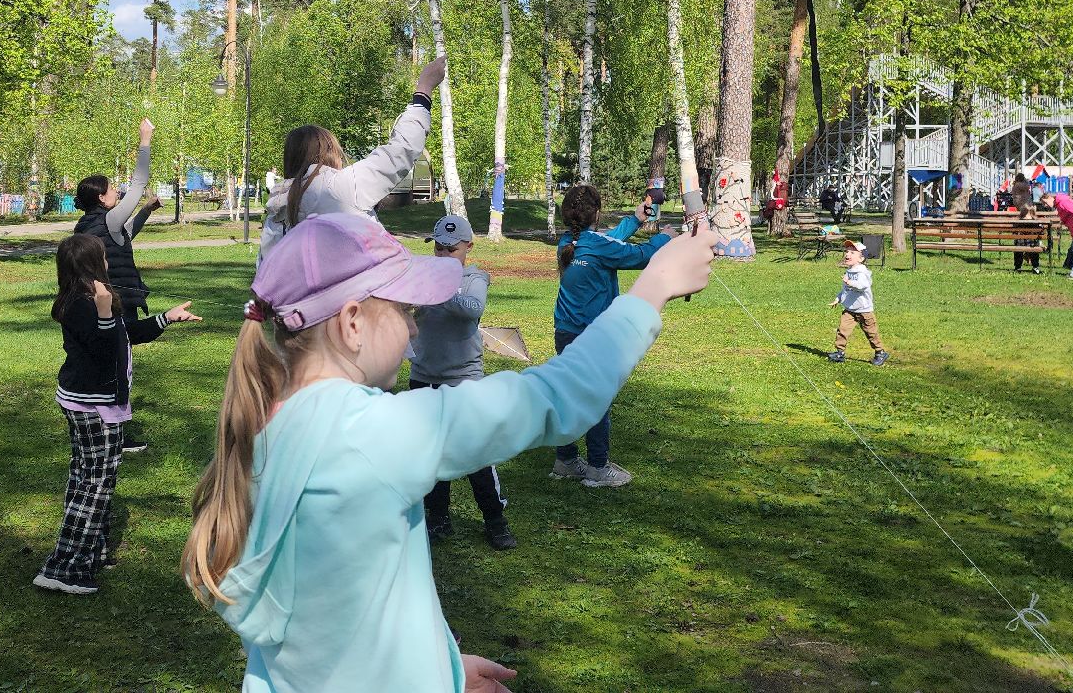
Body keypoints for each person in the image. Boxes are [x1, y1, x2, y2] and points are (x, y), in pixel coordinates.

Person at [182, 212, 719, 692]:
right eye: (405, 309)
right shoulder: (369, 434)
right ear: (351, 324)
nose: (415, 325)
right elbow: (560, 396)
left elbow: (342, 625)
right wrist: (655, 287)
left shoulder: (274, 430)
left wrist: (444, 670)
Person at [37, 234, 200, 594]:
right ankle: (64, 569)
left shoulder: (90, 301)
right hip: (93, 406)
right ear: (91, 266)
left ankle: (92, 551)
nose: (109, 262)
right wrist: (106, 311)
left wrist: (166, 318)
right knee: (93, 486)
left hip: (90, 402)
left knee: (89, 479)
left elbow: (126, 336)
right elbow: (101, 345)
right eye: (104, 257)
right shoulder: (82, 304)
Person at [551, 184, 676, 487]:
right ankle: (597, 468)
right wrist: (666, 238)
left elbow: (606, 243)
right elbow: (640, 255)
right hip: (594, 336)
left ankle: (565, 461)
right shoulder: (596, 245)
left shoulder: (568, 242)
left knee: (569, 395)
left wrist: (635, 220)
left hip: (565, 332)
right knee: (597, 399)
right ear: (596, 213)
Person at [259, 57, 447, 258]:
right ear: (329, 155)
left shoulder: (277, 213)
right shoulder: (341, 188)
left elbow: (266, 279)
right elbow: (401, 150)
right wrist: (424, 89)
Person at [408, 212, 514, 551]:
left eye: (450, 250)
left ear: (468, 247)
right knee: (431, 454)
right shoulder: (423, 276)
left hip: (463, 380)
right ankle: (437, 517)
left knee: (476, 454)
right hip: (424, 377)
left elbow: (472, 309)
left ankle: (495, 520)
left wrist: (439, 290)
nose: (443, 256)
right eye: (438, 249)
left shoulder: (474, 278)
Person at [74, 118, 163, 454]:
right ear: (100, 196)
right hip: (115, 301)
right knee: (118, 368)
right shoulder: (107, 219)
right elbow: (139, 183)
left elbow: (125, 237)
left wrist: (145, 211)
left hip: (105, 301)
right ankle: (116, 434)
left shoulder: (94, 224)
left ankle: (104, 426)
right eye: (112, 188)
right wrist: (145, 140)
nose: (118, 191)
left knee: (112, 364)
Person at [826, 240, 887, 364]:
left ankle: (880, 352)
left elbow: (863, 286)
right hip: (849, 309)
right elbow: (845, 290)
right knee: (842, 330)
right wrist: (838, 298)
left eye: (853, 253)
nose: (848, 254)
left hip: (864, 310)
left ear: (861, 258)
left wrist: (850, 282)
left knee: (871, 332)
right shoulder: (849, 271)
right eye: (847, 251)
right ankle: (839, 353)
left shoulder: (862, 272)